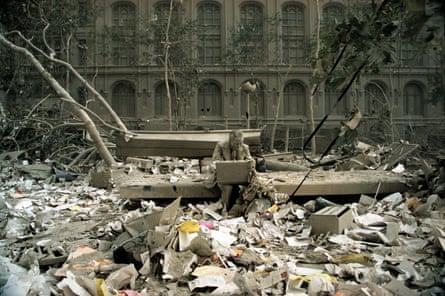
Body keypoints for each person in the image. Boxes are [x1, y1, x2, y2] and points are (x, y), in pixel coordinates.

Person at [207, 129, 254, 215]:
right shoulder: (221, 146)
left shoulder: (245, 147)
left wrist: (250, 162)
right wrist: (218, 166)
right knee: (227, 187)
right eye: (236, 143)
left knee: (249, 187)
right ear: (230, 140)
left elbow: (251, 161)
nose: (239, 145)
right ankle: (226, 209)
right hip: (224, 177)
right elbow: (214, 162)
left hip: (240, 176)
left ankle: (242, 210)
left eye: (240, 142)